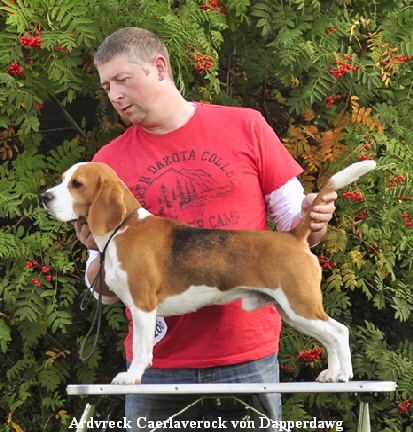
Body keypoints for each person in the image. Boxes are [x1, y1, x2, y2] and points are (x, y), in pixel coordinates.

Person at [73, 27, 337, 431]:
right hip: (157, 365)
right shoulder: (106, 164)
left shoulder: (247, 125)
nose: (114, 96)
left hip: (247, 357)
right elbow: (103, 291)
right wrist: (100, 251)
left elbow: (295, 231)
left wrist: (313, 218)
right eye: (107, 86)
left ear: (159, 68)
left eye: (123, 80)